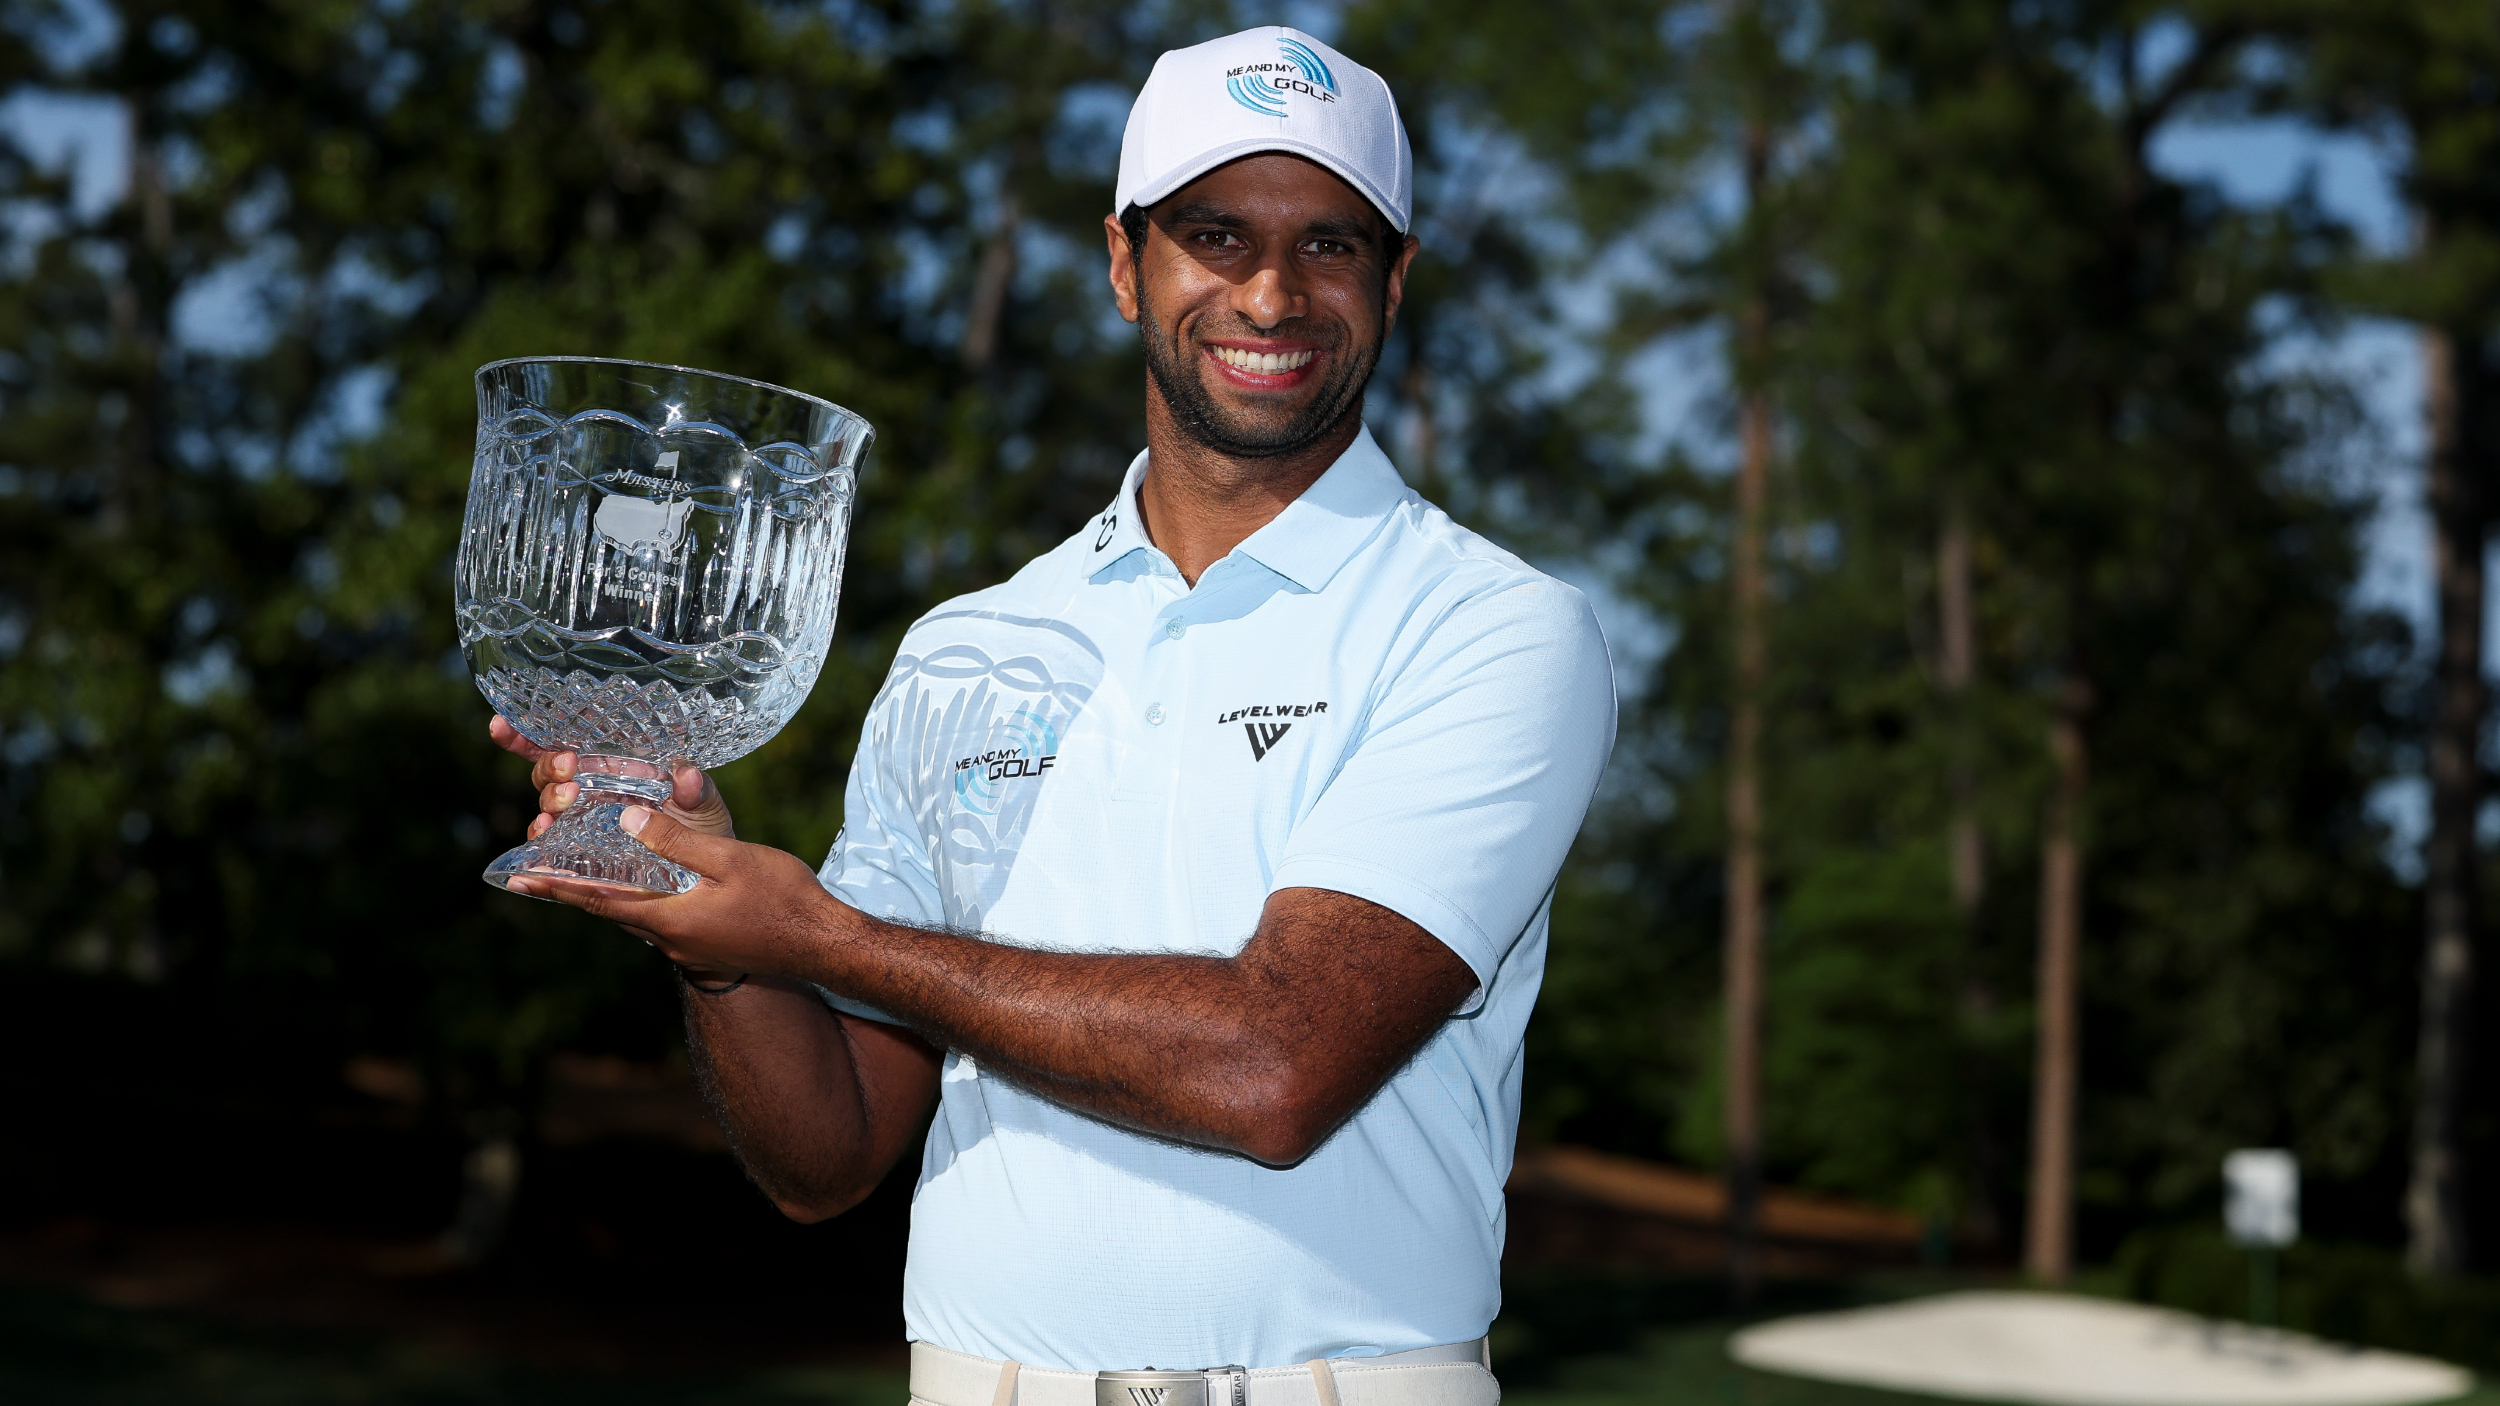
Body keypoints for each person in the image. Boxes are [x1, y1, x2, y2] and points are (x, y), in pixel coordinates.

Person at [492, 26, 1615, 1406]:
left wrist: (819, 933)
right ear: (1122, 259)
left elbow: (1277, 1063)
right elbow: (826, 1153)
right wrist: (713, 929)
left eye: (1329, 243)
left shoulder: (1491, 628)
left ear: (1397, 277)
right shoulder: (971, 646)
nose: (1272, 294)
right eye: (1215, 234)